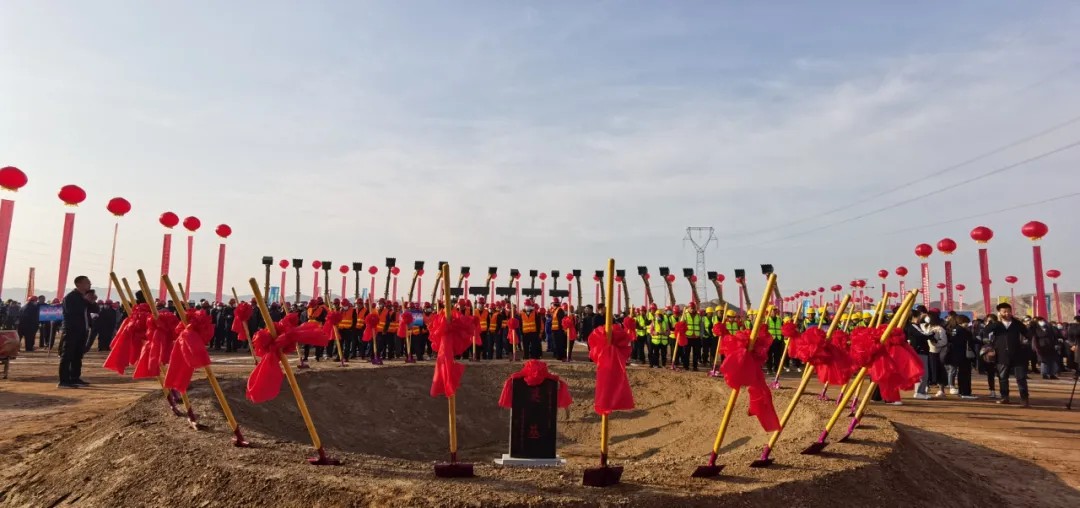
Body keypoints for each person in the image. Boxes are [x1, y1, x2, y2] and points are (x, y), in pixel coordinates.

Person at [985, 302, 1033, 406]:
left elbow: (1028, 334)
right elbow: (986, 331)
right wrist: (996, 322)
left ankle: (1024, 398)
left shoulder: (1017, 323)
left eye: (1009, 311)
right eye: (1004, 311)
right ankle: (1004, 397)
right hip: (1001, 355)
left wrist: (1026, 343)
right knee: (1003, 378)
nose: (1007, 313)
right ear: (999, 312)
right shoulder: (996, 325)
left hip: (1017, 355)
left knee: (1021, 378)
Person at [59, 276, 95, 388]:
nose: (90, 284)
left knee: (78, 355)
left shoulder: (84, 297)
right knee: (67, 355)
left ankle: (75, 378)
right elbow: (73, 311)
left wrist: (91, 301)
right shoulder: (70, 297)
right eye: (87, 282)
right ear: (79, 284)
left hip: (83, 330)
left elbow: (95, 310)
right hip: (71, 330)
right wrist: (86, 301)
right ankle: (64, 381)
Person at [945, 315, 977, 399]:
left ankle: (962, 392)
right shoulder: (963, 331)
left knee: (961, 374)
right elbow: (970, 341)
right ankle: (965, 393)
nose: (967, 324)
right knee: (965, 374)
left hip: (958, 355)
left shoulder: (955, 329)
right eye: (966, 322)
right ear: (962, 322)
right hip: (964, 355)